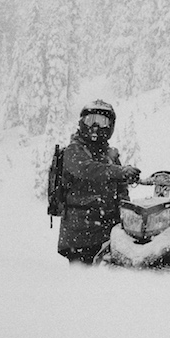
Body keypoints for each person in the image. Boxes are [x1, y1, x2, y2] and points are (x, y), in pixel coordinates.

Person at [57, 100, 141, 265]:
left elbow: (121, 190)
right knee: (83, 282)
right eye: (90, 119)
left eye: (102, 121)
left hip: (108, 232)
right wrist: (120, 172)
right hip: (80, 232)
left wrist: (127, 217)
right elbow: (87, 169)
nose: (95, 125)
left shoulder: (110, 155)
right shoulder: (74, 150)